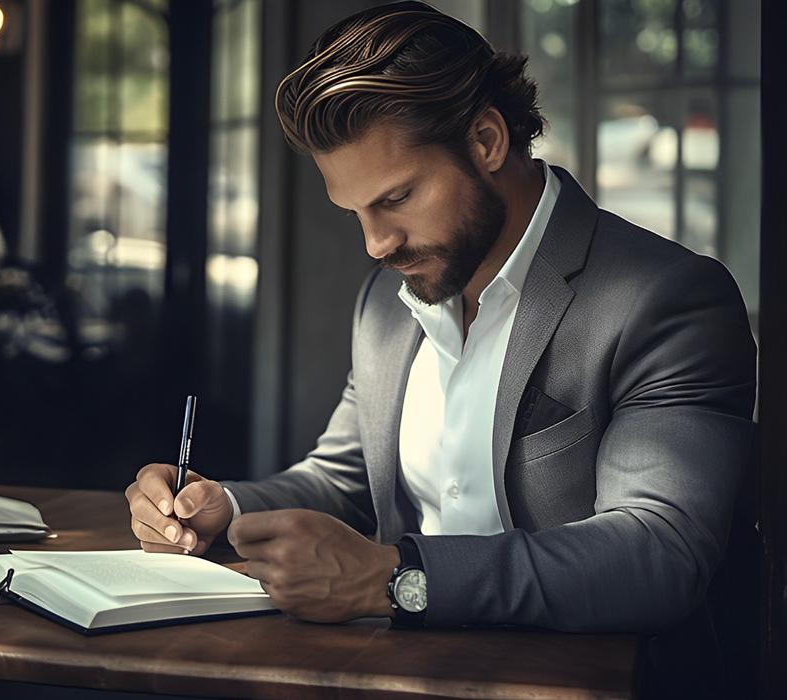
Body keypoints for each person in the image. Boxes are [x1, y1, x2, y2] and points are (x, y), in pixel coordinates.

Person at [125, 2, 755, 695]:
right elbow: (347, 482)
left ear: (486, 140)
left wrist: (395, 580)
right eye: (356, 213)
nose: (375, 243)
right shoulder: (386, 304)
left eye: (396, 198)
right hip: (398, 676)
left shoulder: (664, 299)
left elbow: (658, 555)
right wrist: (224, 510)